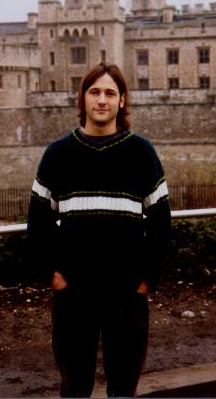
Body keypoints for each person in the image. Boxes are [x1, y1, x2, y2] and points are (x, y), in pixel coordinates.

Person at [27, 63, 171, 398]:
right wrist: (52, 275)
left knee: (123, 387)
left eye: (110, 93)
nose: (102, 100)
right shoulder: (58, 154)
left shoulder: (141, 153)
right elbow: (38, 223)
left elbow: (161, 222)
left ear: (122, 101)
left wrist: (147, 279)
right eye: (94, 92)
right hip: (73, 292)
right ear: (83, 99)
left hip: (126, 291)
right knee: (74, 385)